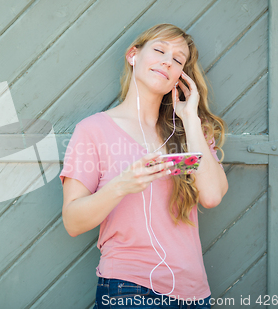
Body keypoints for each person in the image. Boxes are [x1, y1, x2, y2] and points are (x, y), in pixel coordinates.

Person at [59, 23, 229, 309]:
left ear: (179, 76)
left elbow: (211, 196)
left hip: (194, 293)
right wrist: (122, 184)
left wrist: (189, 119)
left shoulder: (190, 133)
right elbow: (73, 222)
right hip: (128, 290)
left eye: (177, 59)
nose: (167, 60)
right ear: (133, 55)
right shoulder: (93, 130)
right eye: (160, 50)